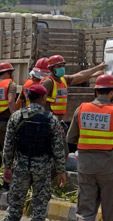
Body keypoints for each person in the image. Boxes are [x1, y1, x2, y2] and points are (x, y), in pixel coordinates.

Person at [66, 74, 113, 221]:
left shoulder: (81, 109)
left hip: (86, 168)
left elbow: (70, 138)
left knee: (85, 212)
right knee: (110, 211)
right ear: (111, 92)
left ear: (96, 91)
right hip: (108, 169)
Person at [2, 84, 66, 221]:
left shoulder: (16, 116)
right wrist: (61, 171)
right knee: (39, 211)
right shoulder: (51, 119)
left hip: (20, 167)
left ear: (28, 98)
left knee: (14, 209)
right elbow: (58, 149)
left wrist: (7, 166)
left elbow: (8, 145)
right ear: (44, 98)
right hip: (42, 168)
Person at [41, 54, 106, 118]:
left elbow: (80, 76)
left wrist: (95, 71)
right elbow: (40, 100)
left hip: (57, 119)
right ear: (51, 68)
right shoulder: (48, 82)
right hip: (48, 119)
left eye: (63, 66)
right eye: (59, 66)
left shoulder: (63, 79)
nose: (62, 68)